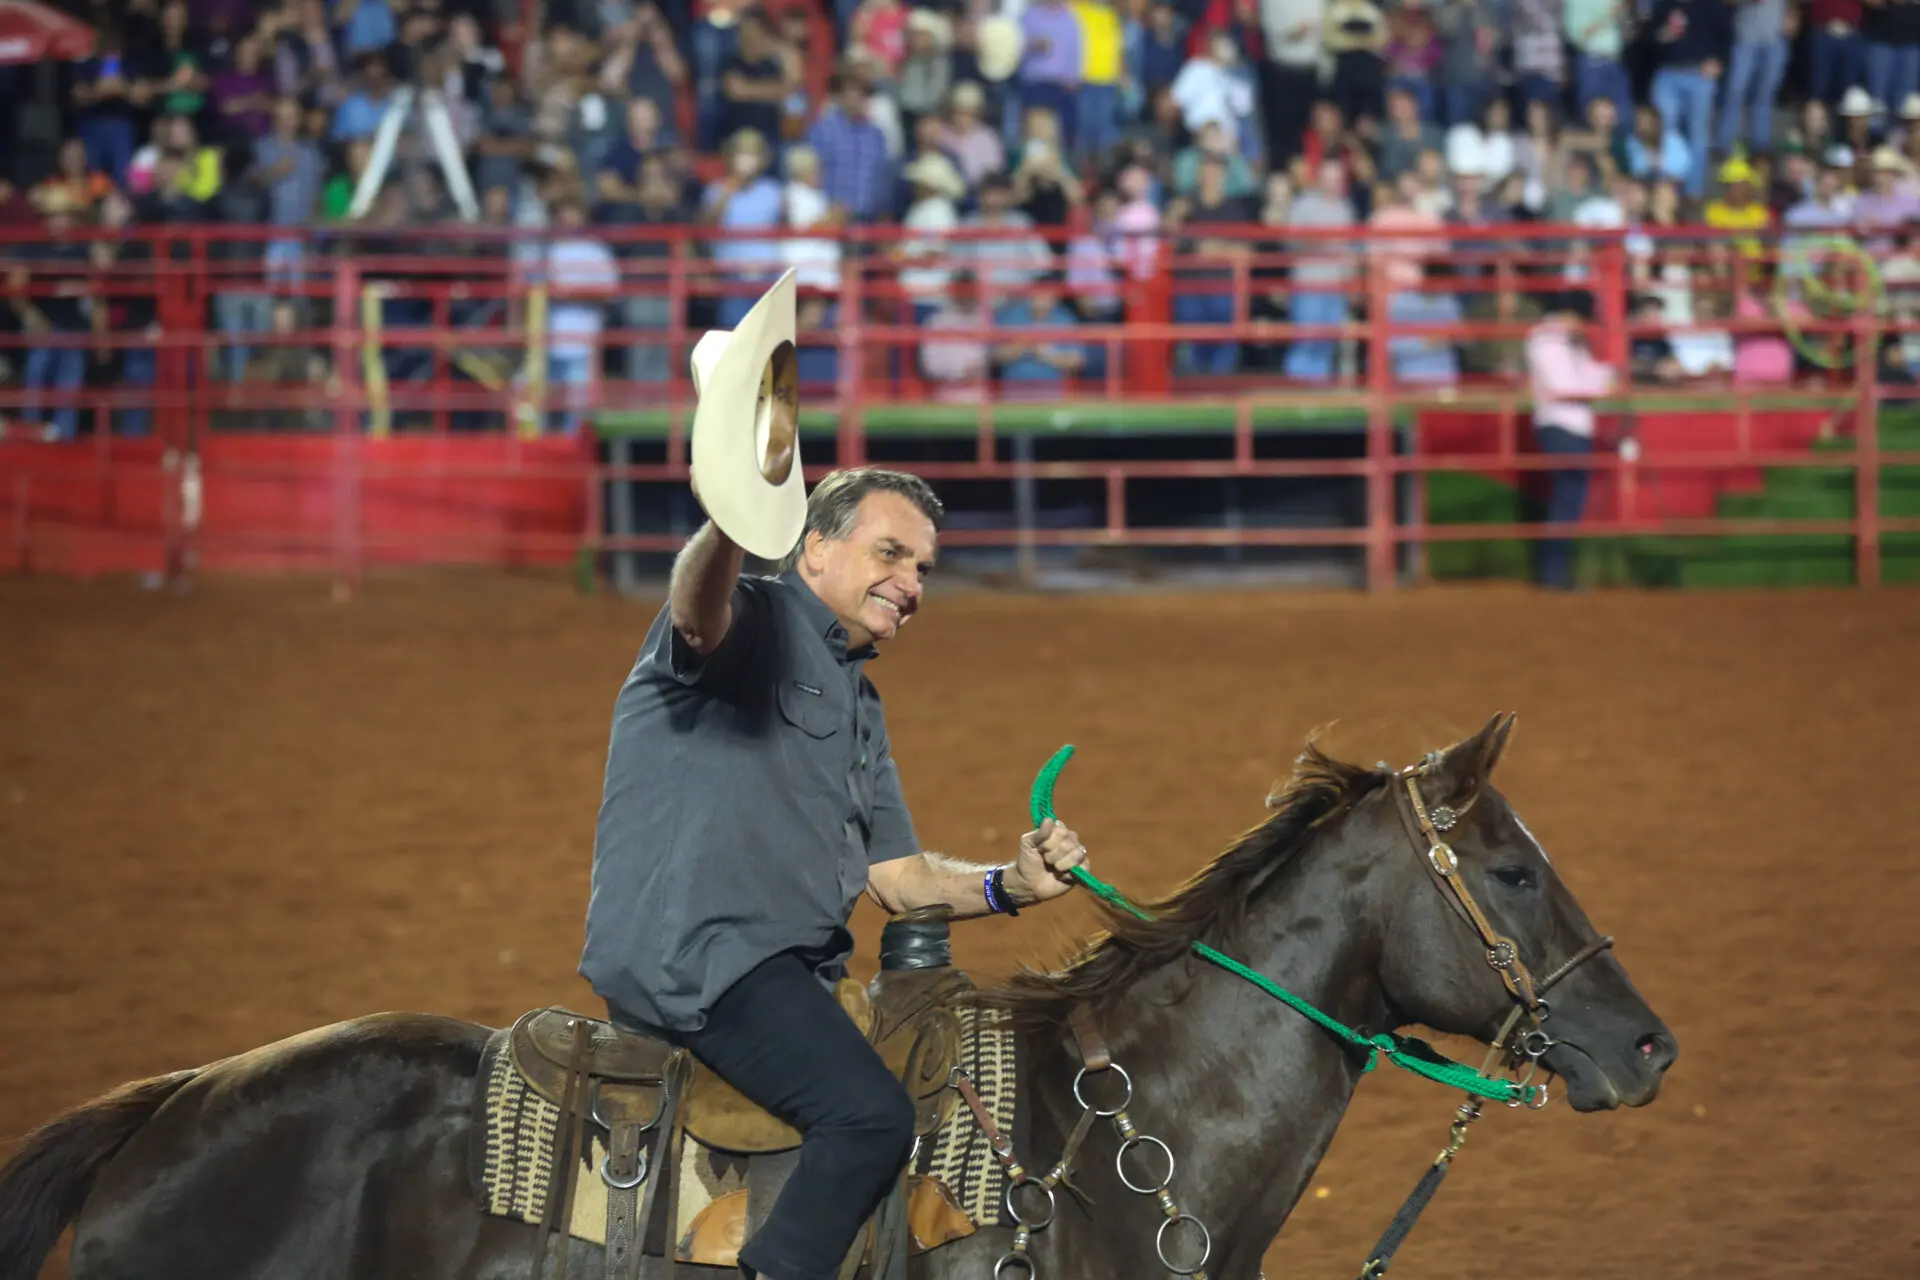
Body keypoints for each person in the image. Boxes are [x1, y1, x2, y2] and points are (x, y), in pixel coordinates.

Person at [581, 462, 1090, 1280]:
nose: (910, 582)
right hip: (708, 963)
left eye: (922, 567)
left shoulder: (857, 700)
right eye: (889, 553)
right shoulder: (756, 620)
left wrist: (1011, 885)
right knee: (869, 1118)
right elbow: (695, 610)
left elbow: (897, 880)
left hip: (779, 971)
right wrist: (729, 525)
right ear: (814, 547)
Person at [1526, 291, 1616, 590]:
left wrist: (1609, 377)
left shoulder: (1562, 340)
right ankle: (1554, 574)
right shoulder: (1548, 340)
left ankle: (1556, 573)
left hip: (1570, 426)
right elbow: (1567, 386)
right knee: (1567, 501)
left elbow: (1587, 377)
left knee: (1569, 500)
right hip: (1561, 425)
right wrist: (1606, 384)